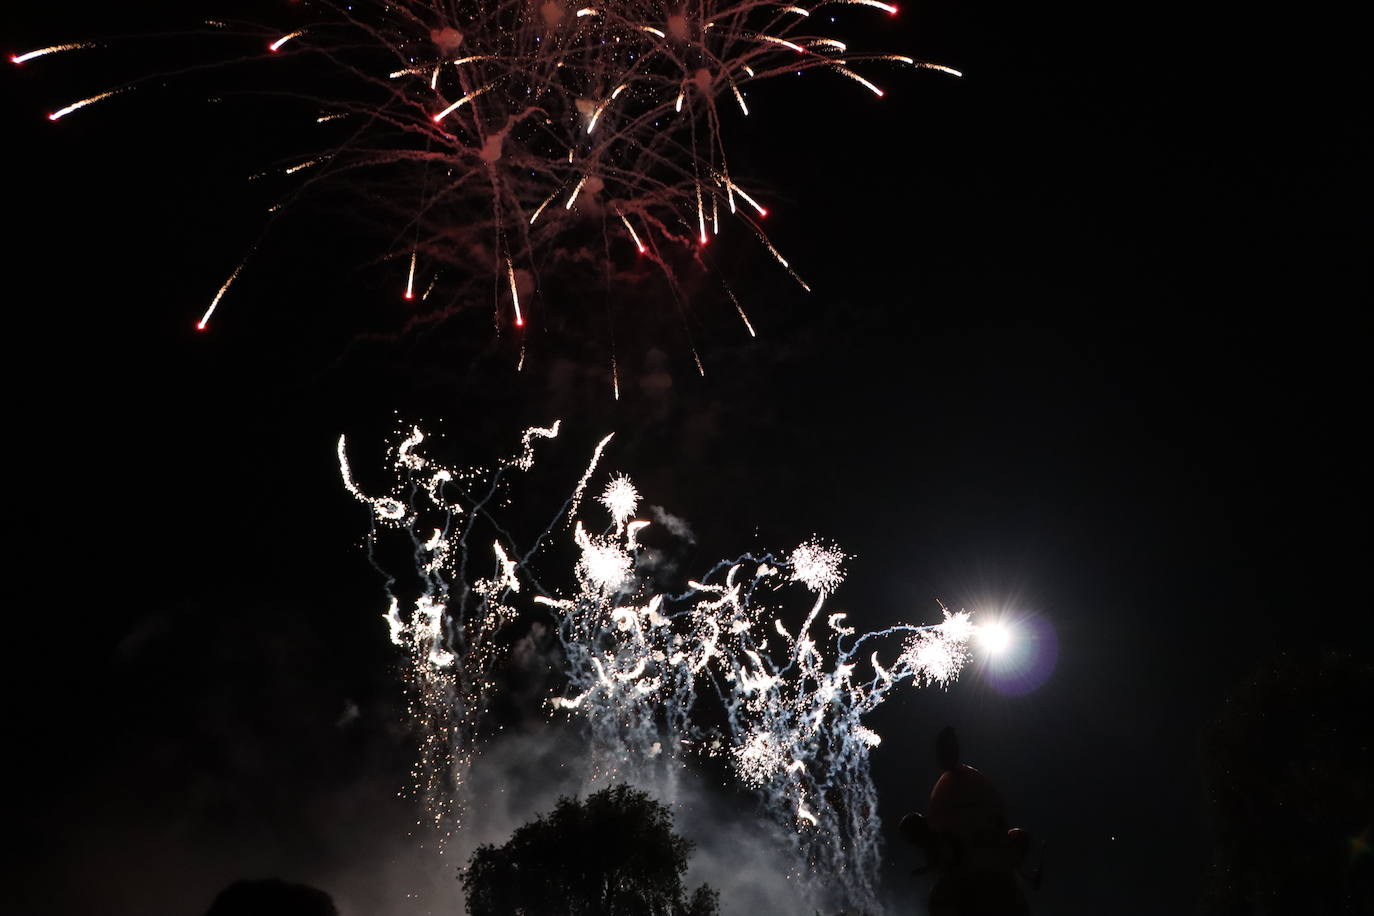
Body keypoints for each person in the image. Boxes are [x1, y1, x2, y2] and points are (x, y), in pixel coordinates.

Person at [899, 727, 1036, 915]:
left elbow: (991, 824)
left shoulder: (956, 788)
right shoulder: (957, 787)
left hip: (984, 877)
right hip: (991, 876)